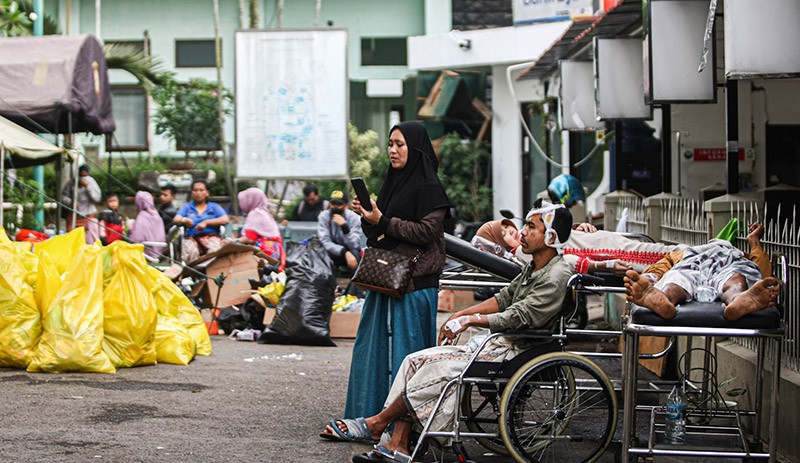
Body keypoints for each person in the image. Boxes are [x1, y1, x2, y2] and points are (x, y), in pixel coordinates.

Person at [321, 202, 574, 461]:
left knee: (436, 371)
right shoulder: (534, 267)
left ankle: (377, 425)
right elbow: (505, 297)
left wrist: (472, 320)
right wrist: (461, 314)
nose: (522, 231)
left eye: (531, 226)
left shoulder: (555, 275)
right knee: (415, 361)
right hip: (499, 345)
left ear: (551, 236)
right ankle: (397, 442)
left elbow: (521, 315)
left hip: (519, 350)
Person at [343, 121, 452, 420]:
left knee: (410, 353)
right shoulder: (393, 182)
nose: (392, 150)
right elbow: (378, 235)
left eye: (399, 144)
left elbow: (427, 232)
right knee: (371, 346)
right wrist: (369, 216)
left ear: (414, 148)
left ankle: (405, 430)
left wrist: (382, 219)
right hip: (386, 276)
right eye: (390, 143)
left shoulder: (429, 187)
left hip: (416, 282)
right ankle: (365, 418)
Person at [625, 223, 780, 321]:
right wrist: (648, 278)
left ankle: (739, 300)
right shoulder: (683, 253)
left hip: (720, 266)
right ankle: (663, 298)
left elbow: (659, 268)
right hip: (704, 265)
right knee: (736, 280)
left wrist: (650, 277)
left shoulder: (738, 255)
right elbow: (761, 268)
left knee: (678, 279)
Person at [173, 180, 230, 263]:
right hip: (192, 237)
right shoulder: (187, 207)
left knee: (215, 251)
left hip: (211, 237)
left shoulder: (214, 207)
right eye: (195, 190)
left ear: (207, 192)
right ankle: (192, 274)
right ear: (192, 192)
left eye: (201, 190)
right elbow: (176, 219)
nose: (198, 193)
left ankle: (211, 274)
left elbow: (225, 219)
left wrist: (207, 222)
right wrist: (184, 220)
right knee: (191, 252)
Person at [234, 187, 285, 272]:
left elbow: (250, 238)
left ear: (250, 200)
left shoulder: (255, 213)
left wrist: (233, 241)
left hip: (265, 251)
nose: (241, 204)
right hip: (275, 250)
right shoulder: (264, 212)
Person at [318, 190, 364, 272]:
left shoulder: (354, 217)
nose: (335, 207)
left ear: (346, 206)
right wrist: (343, 251)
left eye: (339, 204)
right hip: (332, 251)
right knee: (320, 254)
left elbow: (355, 245)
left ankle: (354, 284)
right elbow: (325, 242)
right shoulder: (324, 216)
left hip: (350, 251)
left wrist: (344, 228)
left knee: (356, 254)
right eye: (333, 204)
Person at [61, 163, 102, 244]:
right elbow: (63, 197)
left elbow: (97, 198)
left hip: (88, 214)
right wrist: (71, 202)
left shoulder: (91, 182)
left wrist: (88, 187)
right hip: (73, 215)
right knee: (72, 238)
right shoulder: (71, 182)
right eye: (81, 176)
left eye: (85, 176)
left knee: (89, 238)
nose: (82, 178)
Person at [128, 191, 166, 260]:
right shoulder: (157, 215)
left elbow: (135, 239)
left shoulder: (142, 216)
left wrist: (130, 230)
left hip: (147, 254)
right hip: (160, 252)